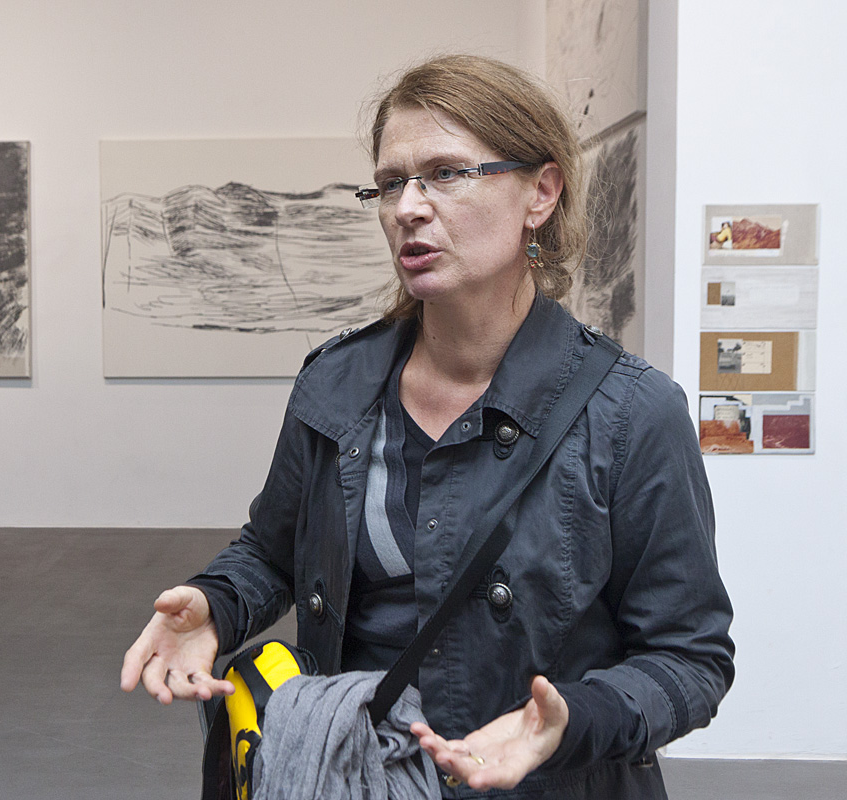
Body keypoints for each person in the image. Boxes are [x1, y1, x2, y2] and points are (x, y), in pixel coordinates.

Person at [121, 54, 734, 798]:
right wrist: (216, 604)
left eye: (446, 174)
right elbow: (274, 550)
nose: (408, 207)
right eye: (390, 183)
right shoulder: (336, 384)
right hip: (356, 775)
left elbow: (689, 657)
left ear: (541, 192)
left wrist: (571, 721)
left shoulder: (631, 412)